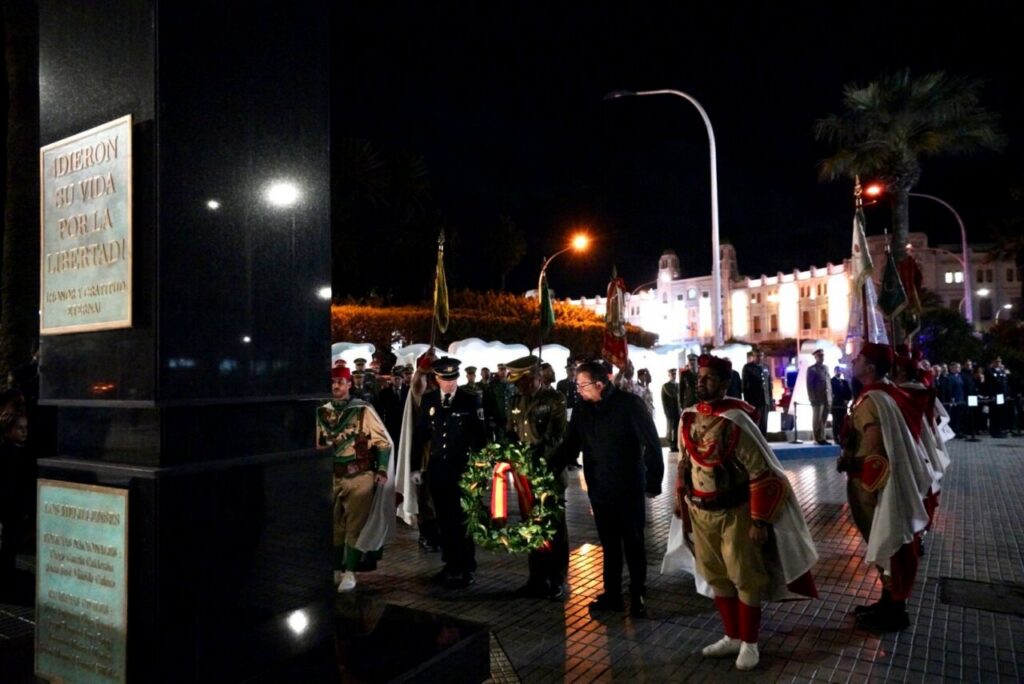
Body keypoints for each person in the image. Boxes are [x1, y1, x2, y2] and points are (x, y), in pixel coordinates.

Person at [672, 354, 818, 671]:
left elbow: (761, 472)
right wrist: (679, 500)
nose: (702, 382)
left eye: (710, 378)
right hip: (700, 511)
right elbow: (685, 464)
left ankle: (750, 643)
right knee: (716, 575)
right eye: (701, 377)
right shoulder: (688, 417)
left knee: (745, 576)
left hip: (735, 513)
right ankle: (732, 636)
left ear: (725, 384)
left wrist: (759, 521)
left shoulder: (737, 421)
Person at [556, 360, 664, 617]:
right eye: (576, 384)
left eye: (582, 385)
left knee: (634, 543)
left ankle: (637, 594)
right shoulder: (583, 409)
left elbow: (652, 443)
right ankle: (612, 594)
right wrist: (544, 468)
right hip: (599, 488)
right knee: (610, 544)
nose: (578, 390)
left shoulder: (630, 405)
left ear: (600, 384)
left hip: (628, 487)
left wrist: (653, 482)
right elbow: (570, 445)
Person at [837, 342, 931, 632]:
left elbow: (874, 446)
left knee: (885, 540)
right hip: (878, 482)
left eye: (859, 358)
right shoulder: (882, 396)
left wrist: (856, 468)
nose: (854, 361)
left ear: (870, 367)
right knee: (885, 541)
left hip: (874, 485)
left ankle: (894, 610)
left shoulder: (873, 400)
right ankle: (887, 601)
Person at [317, 366, 394, 592]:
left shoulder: (362, 410)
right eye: (332, 382)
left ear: (349, 384)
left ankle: (350, 572)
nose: (335, 386)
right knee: (333, 525)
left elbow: (383, 442)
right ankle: (335, 569)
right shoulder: (322, 411)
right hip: (331, 475)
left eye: (340, 382)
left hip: (359, 475)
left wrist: (381, 469)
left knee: (355, 525)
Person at [411, 357, 486, 588]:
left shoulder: (470, 400)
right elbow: (421, 435)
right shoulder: (429, 400)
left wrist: (480, 469)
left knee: (463, 520)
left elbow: (480, 439)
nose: (450, 384)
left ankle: (467, 566)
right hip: (438, 469)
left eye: (453, 379)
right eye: (445, 380)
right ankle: (450, 565)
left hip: (463, 470)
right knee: (444, 519)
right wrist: (415, 467)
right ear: (437, 379)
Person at [505, 356, 569, 600]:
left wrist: (531, 457)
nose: (521, 386)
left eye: (525, 381)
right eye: (518, 382)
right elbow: (511, 431)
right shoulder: (516, 400)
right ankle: (536, 577)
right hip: (524, 477)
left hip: (549, 473)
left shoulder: (555, 400)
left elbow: (556, 437)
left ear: (537, 377)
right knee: (530, 526)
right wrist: (508, 451)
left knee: (553, 528)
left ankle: (556, 578)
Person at [0, 411, 34, 597]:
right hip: (11, 505)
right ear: (8, 431)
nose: (24, 432)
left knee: (11, 542)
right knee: (10, 541)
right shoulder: (10, 453)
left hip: (14, 505)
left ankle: (8, 573)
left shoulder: (18, 451)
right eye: (19, 428)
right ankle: (7, 577)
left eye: (25, 428)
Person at [741, 350, 772, 436]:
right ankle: (755, 441)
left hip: (765, 399)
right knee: (755, 422)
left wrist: (770, 399)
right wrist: (747, 400)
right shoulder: (748, 367)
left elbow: (769, 384)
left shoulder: (766, 367)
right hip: (754, 399)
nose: (759, 358)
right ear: (753, 356)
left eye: (761, 356)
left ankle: (764, 441)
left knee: (764, 422)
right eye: (757, 356)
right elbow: (744, 384)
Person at [806, 349, 832, 445]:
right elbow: (809, 385)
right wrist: (812, 398)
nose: (822, 358)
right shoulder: (812, 369)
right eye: (820, 356)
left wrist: (830, 397)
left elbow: (828, 383)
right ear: (816, 357)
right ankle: (817, 438)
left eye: (823, 356)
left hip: (826, 397)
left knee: (824, 419)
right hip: (817, 398)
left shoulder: (826, 368)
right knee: (817, 419)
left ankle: (822, 437)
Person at [830, 366, 853, 442]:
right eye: (837, 371)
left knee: (843, 421)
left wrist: (847, 400)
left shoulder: (844, 382)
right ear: (834, 372)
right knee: (835, 422)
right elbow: (832, 392)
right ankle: (835, 437)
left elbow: (849, 392)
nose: (838, 372)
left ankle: (842, 437)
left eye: (839, 371)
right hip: (836, 404)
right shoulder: (831, 381)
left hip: (844, 405)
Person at [661, 368, 680, 451]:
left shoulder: (678, 385)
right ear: (669, 375)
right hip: (670, 410)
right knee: (670, 429)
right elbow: (672, 395)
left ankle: (676, 443)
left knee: (677, 428)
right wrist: (666, 411)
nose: (674, 376)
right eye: (672, 374)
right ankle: (671, 444)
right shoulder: (666, 386)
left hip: (677, 410)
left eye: (675, 374)